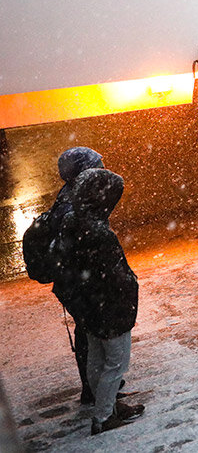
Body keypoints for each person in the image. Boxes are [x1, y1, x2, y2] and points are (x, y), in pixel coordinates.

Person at [56, 168, 145, 435]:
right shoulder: (98, 232)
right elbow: (113, 277)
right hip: (109, 308)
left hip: (89, 307)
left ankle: (106, 408)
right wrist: (130, 287)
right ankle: (105, 416)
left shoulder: (73, 222)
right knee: (116, 363)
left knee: (96, 360)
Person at [32, 148, 105, 405]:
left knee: (91, 333)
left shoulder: (74, 197)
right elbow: (76, 250)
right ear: (83, 171)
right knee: (93, 334)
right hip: (78, 283)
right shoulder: (72, 205)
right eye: (97, 165)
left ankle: (96, 388)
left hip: (75, 282)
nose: (103, 168)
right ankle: (98, 391)